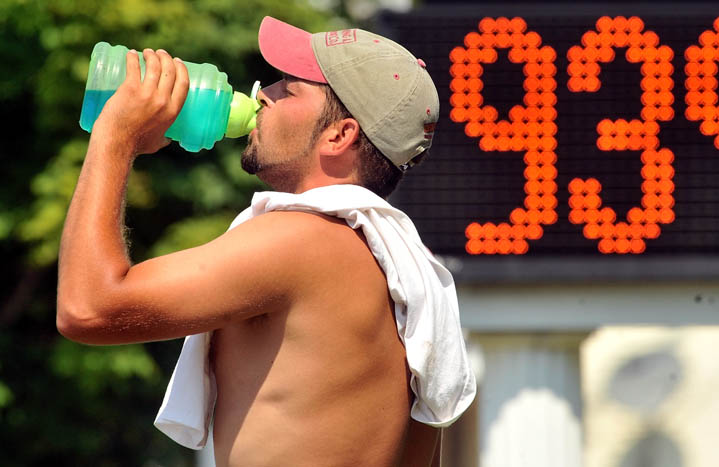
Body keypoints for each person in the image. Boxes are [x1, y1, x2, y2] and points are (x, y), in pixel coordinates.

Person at [57, 16, 475, 467]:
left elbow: (87, 309)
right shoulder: (401, 263)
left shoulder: (304, 240)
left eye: (288, 88)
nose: (262, 95)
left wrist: (115, 137)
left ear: (340, 135)